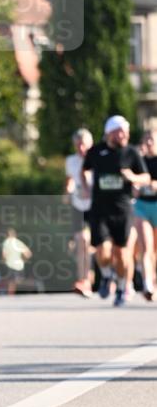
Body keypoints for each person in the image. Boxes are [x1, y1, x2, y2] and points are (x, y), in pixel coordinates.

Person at [82, 114, 149, 306]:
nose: (124, 135)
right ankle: (106, 275)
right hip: (100, 209)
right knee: (102, 251)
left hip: (123, 210)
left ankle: (120, 287)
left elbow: (145, 177)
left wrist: (132, 177)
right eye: (120, 131)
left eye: (125, 131)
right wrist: (86, 187)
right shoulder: (96, 151)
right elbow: (85, 169)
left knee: (121, 253)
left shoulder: (131, 153)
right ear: (109, 133)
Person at [64, 127, 94, 298]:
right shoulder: (71, 161)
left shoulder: (98, 159)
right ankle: (83, 280)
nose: (81, 148)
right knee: (82, 242)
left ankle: (108, 277)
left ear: (90, 144)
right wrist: (68, 190)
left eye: (83, 144)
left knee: (98, 248)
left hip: (96, 207)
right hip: (78, 206)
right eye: (77, 145)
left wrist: (90, 191)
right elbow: (69, 181)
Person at [134, 129, 157, 300]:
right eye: (146, 139)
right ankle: (147, 283)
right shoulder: (138, 160)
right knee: (146, 246)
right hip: (141, 206)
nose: (149, 142)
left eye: (152, 139)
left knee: (155, 249)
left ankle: (154, 281)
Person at [2, 227, 32, 294]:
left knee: (11, 282)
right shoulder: (19, 242)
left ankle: (10, 296)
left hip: (10, 264)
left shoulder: (6, 242)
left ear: (6, 235)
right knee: (18, 281)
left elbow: (4, 255)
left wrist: (4, 261)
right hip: (19, 265)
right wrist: (23, 260)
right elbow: (28, 254)